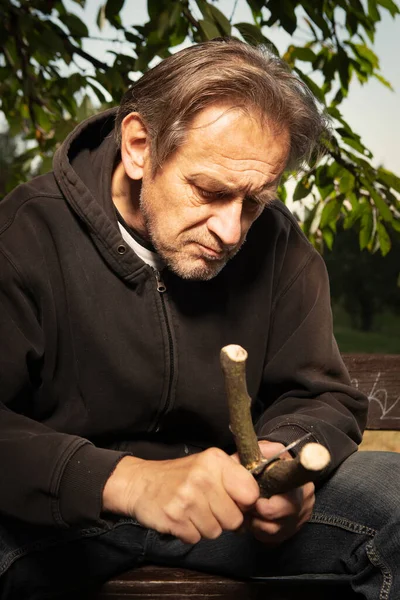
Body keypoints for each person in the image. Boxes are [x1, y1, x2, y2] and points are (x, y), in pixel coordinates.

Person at [0, 37, 398, 600]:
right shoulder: (21, 237)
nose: (232, 232)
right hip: (54, 520)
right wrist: (125, 480)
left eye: (255, 200)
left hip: (228, 512)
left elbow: (322, 396)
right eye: (209, 191)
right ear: (140, 146)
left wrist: (284, 462)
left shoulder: (279, 245)